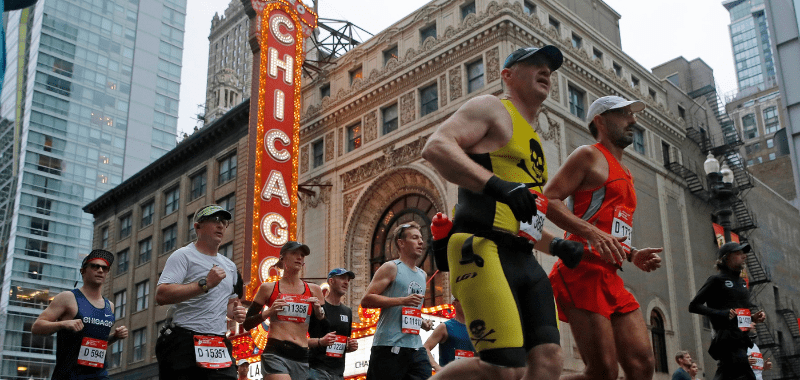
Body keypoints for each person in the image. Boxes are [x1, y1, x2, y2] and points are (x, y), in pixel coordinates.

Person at [422, 45, 585, 380]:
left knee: (548, 361)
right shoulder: (491, 107)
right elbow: (436, 147)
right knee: (504, 369)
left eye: (549, 68)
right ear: (507, 75)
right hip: (480, 248)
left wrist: (556, 245)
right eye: (534, 64)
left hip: (523, 257)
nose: (545, 71)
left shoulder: (533, 140)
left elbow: (522, 218)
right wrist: (497, 185)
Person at [543, 95, 664, 380]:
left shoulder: (626, 173)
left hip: (610, 275)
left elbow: (607, 226)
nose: (633, 120)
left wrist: (632, 254)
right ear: (600, 120)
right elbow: (548, 199)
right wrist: (591, 233)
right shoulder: (588, 155)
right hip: (581, 271)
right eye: (623, 114)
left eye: (632, 114)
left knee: (642, 365)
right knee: (602, 372)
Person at [155, 204, 247, 380]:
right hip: (184, 340)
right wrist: (205, 284)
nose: (220, 225)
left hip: (218, 342)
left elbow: (230, 305)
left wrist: (236, 312)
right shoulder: (183, 256)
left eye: (224, 222)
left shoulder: (230, 266)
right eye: (215, 220)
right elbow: (161, 295)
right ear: (198, 227)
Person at [31, 249, 128, 380]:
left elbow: (96, 344)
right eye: (95, 266)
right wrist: (64, 324)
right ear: (83, 271)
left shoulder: (109, 306)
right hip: (69, 375)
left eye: (104, 268)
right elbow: (37, 327)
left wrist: (115, 337)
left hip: (99, 375)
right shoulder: (68, 298)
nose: (100, 270)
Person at [243, 241, 327, 380]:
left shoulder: (314, 290)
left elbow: (324, 327)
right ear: (282, 258)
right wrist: (268, 312)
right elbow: (247, 323)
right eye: (294, 253)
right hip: (276, 352)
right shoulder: (268, 288)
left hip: (301, 355)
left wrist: (319, 312)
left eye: (302, 255)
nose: (299, 257)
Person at [361, 221, 435, 380]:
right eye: (415, 238)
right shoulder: (391, 267)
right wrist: (402, 300)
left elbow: (409, 310)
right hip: (389, 345)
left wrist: (421, 322)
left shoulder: (422, 275)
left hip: (415, 346)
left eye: (421, 238)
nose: (421, 242)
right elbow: (366, 300)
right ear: (401, 243)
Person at [689, 242, 766, 380]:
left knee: (729, 374)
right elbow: (694, 306)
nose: (744, 256)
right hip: (726, 340)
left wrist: (753, 318)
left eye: (744, 253)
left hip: (742, 340)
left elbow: (739, 313)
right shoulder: (716, 280)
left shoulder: (742, 283)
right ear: (726, 258)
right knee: (744, 374)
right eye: (738, 253)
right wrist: (723, 313)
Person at [308, 268, 359, 380]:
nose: (346, 282)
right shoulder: (318, 307)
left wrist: (350, 347)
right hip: (317, 371)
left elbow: (343, 343)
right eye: (342, 278)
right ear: (331, 281)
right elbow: (300, 340)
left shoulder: (347, 311)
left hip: (338, 373)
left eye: (348, 280)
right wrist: (320, 342)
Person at [423, 297, 475, 372]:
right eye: (464, 300)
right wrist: (436, 367)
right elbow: (425, 348)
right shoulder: (444, 327)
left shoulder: (476, 329)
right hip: (449, 375)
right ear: (454, 303)